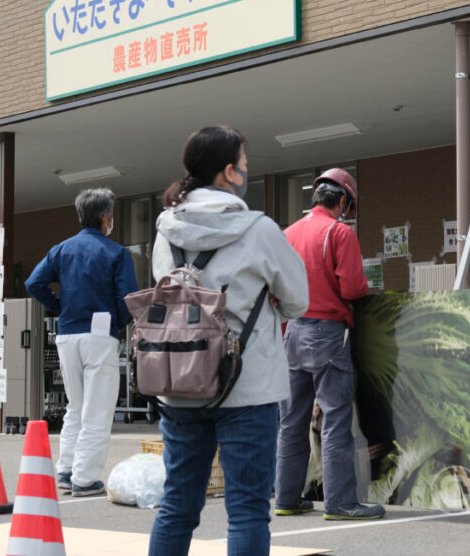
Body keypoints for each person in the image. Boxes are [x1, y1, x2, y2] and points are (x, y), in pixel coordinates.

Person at [147, 126, 309, 555]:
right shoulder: (259, 230)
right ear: (228, 173)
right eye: (244, 166)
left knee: (177, 504)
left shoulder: (166, 230)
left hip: (178, 381)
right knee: (248, 510)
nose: (246, 172)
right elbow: (297, 301)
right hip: (246, 387)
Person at [274, 168, 386, 521]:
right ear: (342, 202)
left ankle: (287, 498)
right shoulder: (339, 233)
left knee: (291, 421)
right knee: (336, 419)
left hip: (292, 332)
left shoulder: (287, 234)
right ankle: (340, 503)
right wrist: (366, 285)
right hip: (328, 334)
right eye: (348, 207)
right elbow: (352, 288)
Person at [25, 188, 139, 497]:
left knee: (74, 407)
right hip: (99, 336)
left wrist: (60, 306)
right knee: (97, 409)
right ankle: (85, 479)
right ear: (106, 219)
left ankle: (66, 470)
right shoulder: (116, 253)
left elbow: (33, 283)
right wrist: (116, 323)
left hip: (67, 334)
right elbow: (128, 298)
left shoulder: (61, 249)